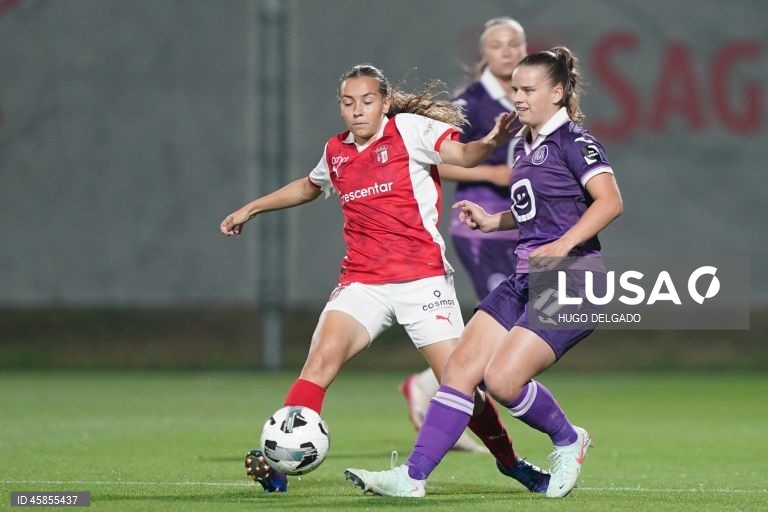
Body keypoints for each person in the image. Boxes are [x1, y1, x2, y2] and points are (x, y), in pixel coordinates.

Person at [220, 64, 547, 493]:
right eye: (348, 102)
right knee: (319, 363)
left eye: (367, 101)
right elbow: (309, 185)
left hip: (422, 281)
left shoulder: (409, 130)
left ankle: (510, 461)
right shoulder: (335, 151)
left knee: (461, 383)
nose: (357, 110)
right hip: (363, 284)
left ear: (385, 103)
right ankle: (281, 462)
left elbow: (464, 156)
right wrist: (252, 208)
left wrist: (491, 141)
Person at [345, 47, 623, 499]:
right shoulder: (523, 144)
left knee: (502, 381)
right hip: (523, 276)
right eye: (515, 89)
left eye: (529, 90)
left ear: (557, 93)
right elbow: (538, 209)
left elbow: (610, 202)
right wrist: (495, 221)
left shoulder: (577, 142)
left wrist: (563, 245)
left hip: (571, 278)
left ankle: (569, 439)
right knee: (460, 369)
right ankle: (412, 478)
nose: (518, 97)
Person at [400, 16, 528, 456]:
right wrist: (493, 170)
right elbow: (434, 158)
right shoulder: (469, 102)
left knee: (530, 327)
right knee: (504, 330)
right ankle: (453, 405)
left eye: (516, 43)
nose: (508, 51)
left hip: (524, 226)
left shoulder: (536, 98)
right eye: (498, 45)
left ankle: (426, 385)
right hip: (480, 226)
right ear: (485, 54)